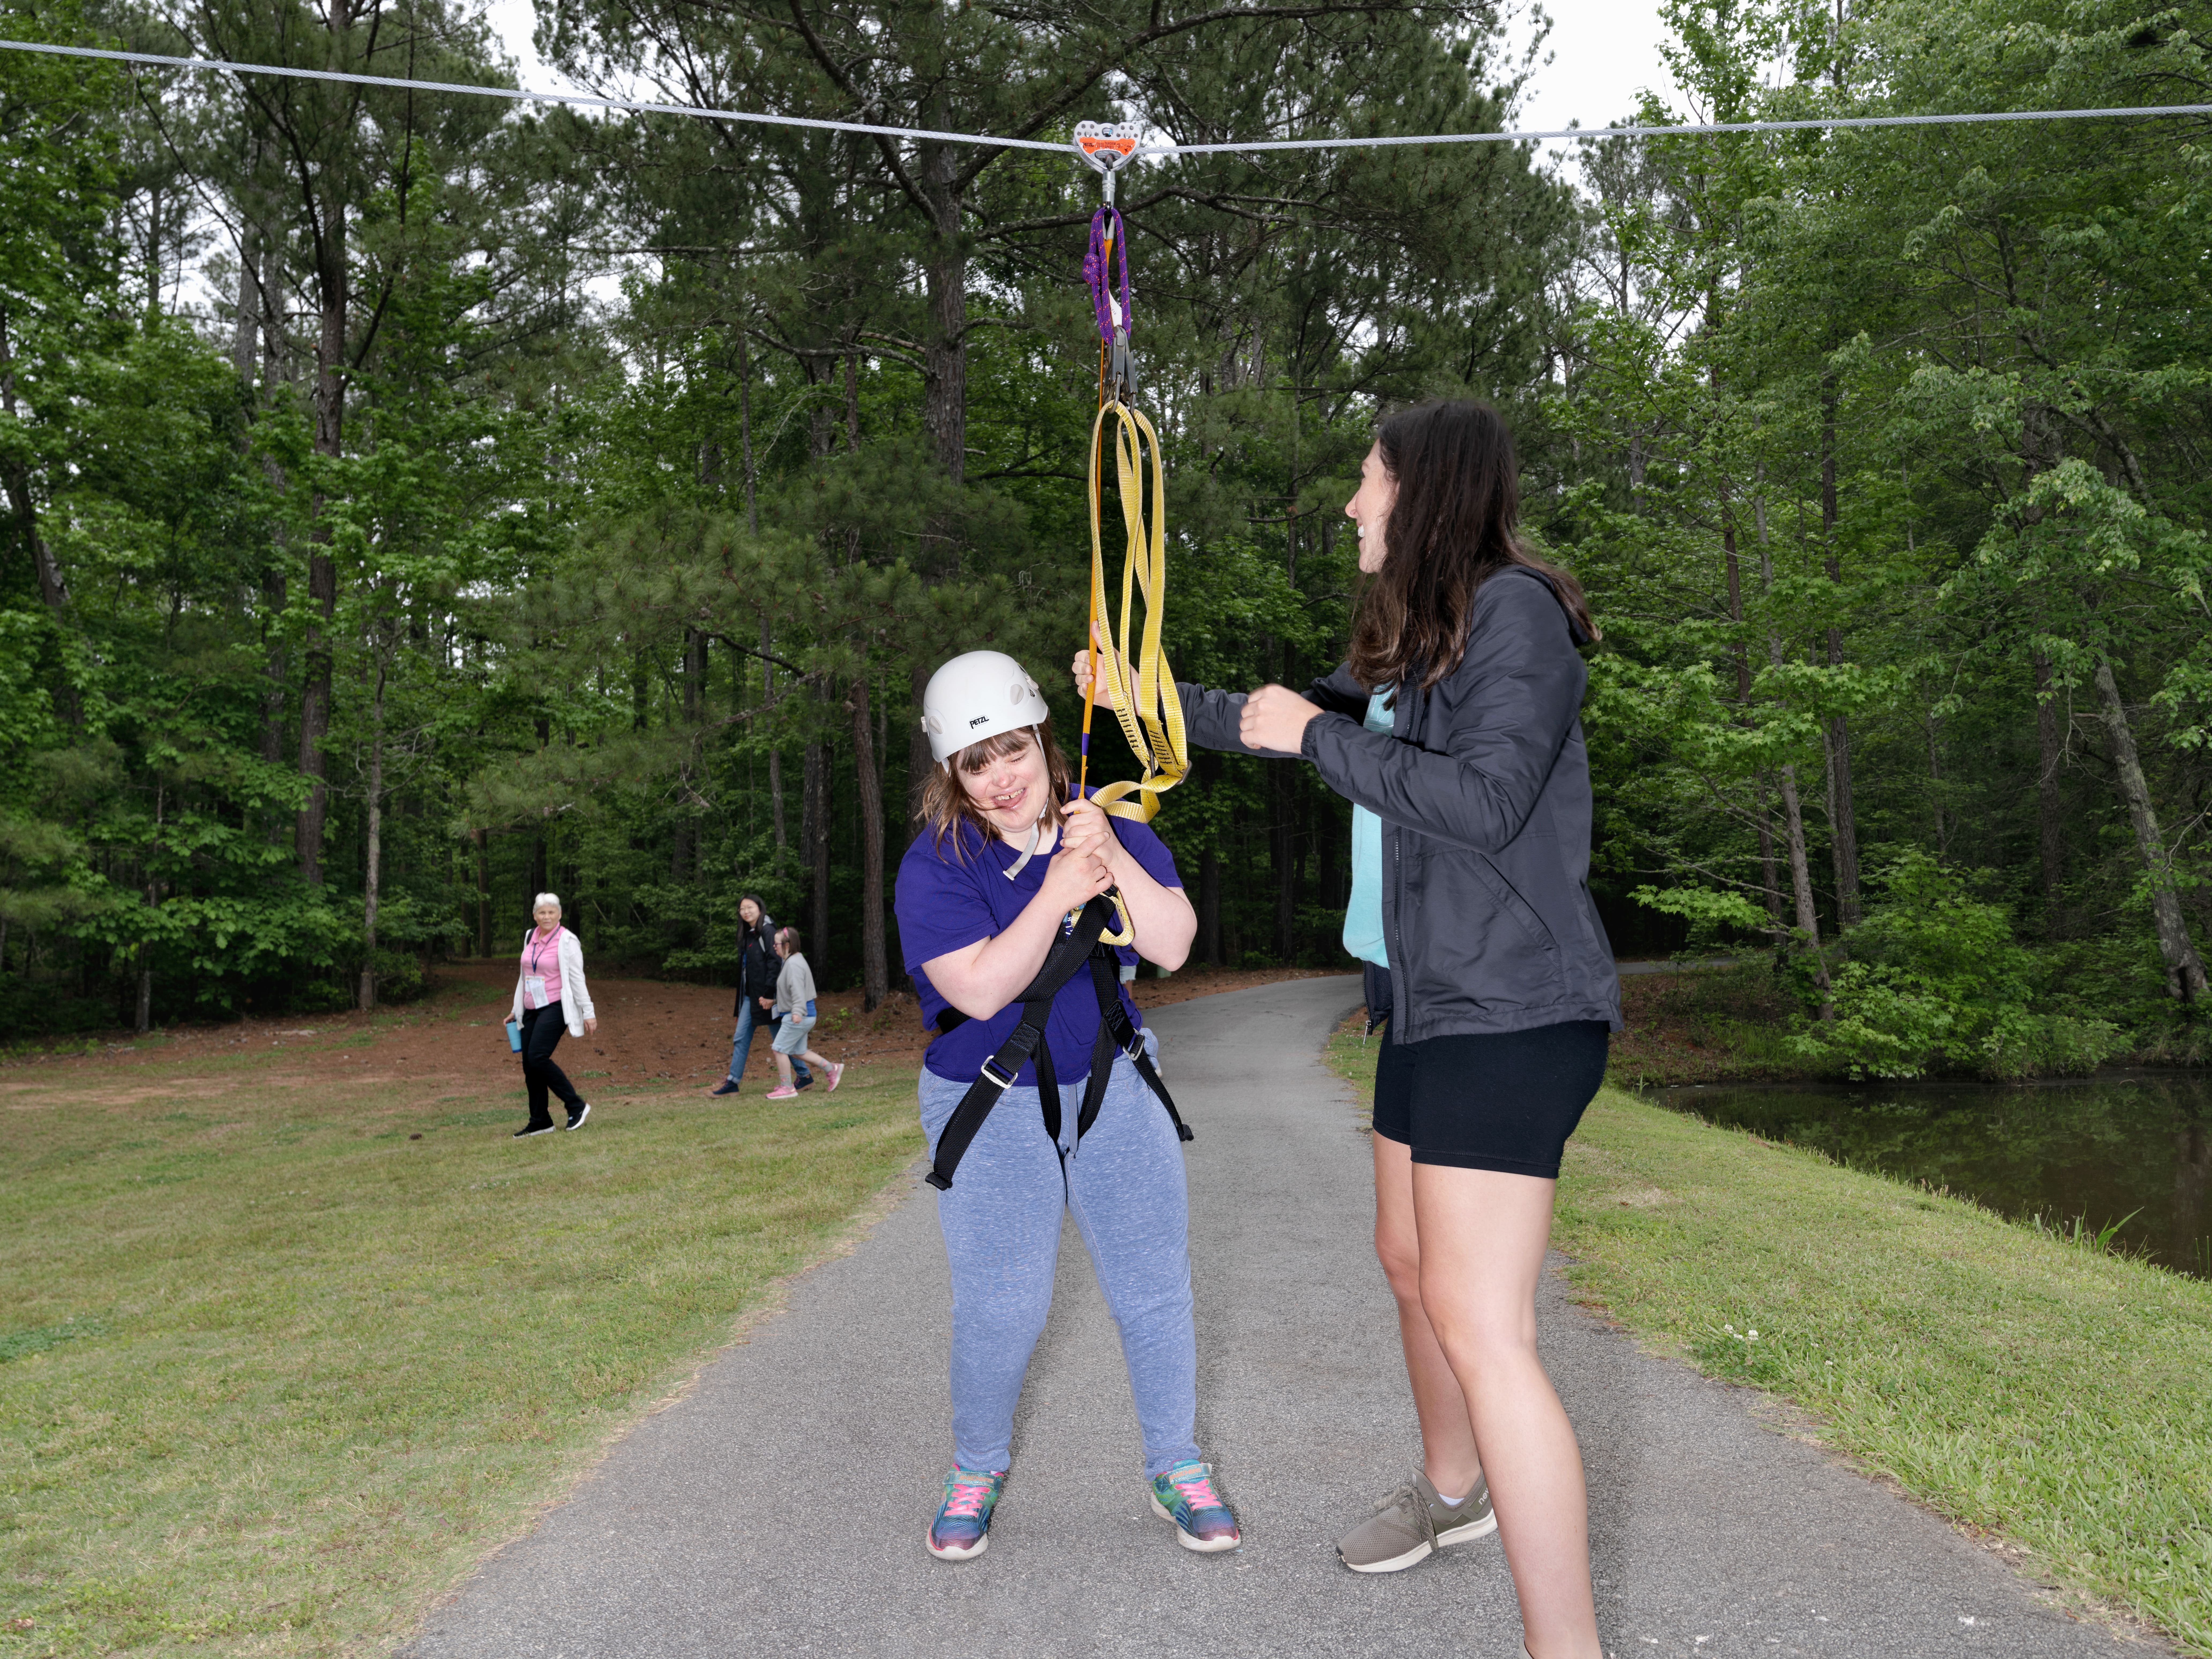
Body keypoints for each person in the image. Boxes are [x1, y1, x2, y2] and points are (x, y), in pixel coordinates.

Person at [1076, 401, 1620, 1659]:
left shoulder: (1518, 618)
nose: (1350, 505)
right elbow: (1269, 717)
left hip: (1518, 1011)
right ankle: (1450, 1494)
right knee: (1407, 1263)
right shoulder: (1415, 639)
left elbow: (1483, 802)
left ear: (1421, 491)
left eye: (1366, 481)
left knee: (1486, 1328)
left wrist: (1314, 734)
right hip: (1426, 1003)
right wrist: (1141, 690)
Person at [895, 649, 1239, 1564]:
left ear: (1047, 745)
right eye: (976, 762)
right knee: (1003, 1307)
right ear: (953, 776)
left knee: (1153, 1288)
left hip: (1113, 1079)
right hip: (987, 1097)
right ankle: (976, 1467)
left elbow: (1169, 945)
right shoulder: (937, 864)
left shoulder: (1105, 825)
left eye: (1013, 750)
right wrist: (1055, 888)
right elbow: (976, 990)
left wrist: (1110, 854)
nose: (1002, 778)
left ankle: (1175, 1463)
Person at [507, 892, 599, 1138]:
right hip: (531, 1008)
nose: (547, 916)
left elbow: (578, 979)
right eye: (542, 913)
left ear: (559, 914)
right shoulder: (530, 936)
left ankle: (576, 1106)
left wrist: (588, 1012)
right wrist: (517, 1009)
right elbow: (525, 975)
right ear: (535, 915)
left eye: (552, 912)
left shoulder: (567, 941)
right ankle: (540, 1121)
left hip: (556, 1006)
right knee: (530, 1065)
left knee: (538, 1057)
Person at [709, 895, 809, 1095]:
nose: (746, 912)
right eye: (742, 909)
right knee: (741, 1038)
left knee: (782, 1041)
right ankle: (733, 1082)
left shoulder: (768, 931)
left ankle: (805, 1075)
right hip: (751, 998)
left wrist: (769, 994)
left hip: (767, 998)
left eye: (750, 907)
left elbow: (776, 963)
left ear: (760, 908)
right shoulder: (748, 933)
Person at [765, 926, 843, 1100]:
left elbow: (799, 991)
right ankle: (832, 1069)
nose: (774, 947)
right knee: (798, 1051)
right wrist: (775, 1002)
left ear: (787, 945)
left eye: (776, 944)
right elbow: (790, 991)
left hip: (800, 1015)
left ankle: (787, 1088)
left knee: (779, 1049)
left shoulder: (793, 964)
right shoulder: (792, 961)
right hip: (804, 1014)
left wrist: (797, 1012)